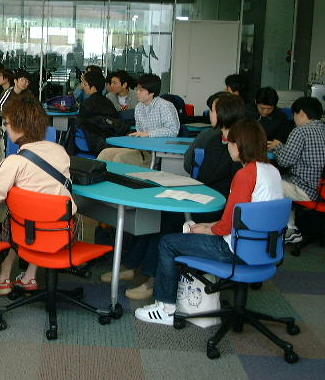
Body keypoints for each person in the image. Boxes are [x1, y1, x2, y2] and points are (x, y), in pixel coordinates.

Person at [135, 118, 283, 325]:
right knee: (195, 230)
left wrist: (207, 230)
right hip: (265, 248)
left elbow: (228, 225)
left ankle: (166, 309)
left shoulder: (245, 175)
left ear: (239, 146)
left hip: (236, 250)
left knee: (168, 243)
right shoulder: (271, 171)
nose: (227, 146)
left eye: (230, 142)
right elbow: (244, 218)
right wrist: (210, 225)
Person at [103, 93, 246, 299]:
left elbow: (195, 167)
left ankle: (152, 280)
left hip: (215, 205)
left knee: (166, 221)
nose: (210, 114)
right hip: (201, 195)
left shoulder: (229, 143)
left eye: (213, 110)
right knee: (157, 214)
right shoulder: (215, 137)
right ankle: (132, 266)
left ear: (225, 113)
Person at [0, 95, 76, 295]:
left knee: (15, 217)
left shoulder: (13, 163)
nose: (6, 128)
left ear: (21, 126)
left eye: (8, 124)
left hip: (26, 232)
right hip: (63, 232)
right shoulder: (60, 152)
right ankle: (29, 277)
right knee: (38, 212)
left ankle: (3, 279)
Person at [268, 96, 325, 244]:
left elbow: (285, 161)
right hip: (321, 189)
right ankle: (290, 225)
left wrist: (277, 147)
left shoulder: (300, 132)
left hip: (308, 190)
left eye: (294, 114)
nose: (294, 119)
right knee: (285, 181)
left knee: (269, 183)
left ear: (302, 113)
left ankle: (290, 229)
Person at [97, 73, 179, 167]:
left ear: (151, 93)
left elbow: (173, 131)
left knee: (120, 158)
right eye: (137, 89)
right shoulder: (139, 107)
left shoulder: (165, 106)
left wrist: (148, 134)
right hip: (142, 149)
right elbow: (140, 132)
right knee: (105, 153)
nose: (137, 92)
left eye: (141, 90)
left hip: (158, 153)